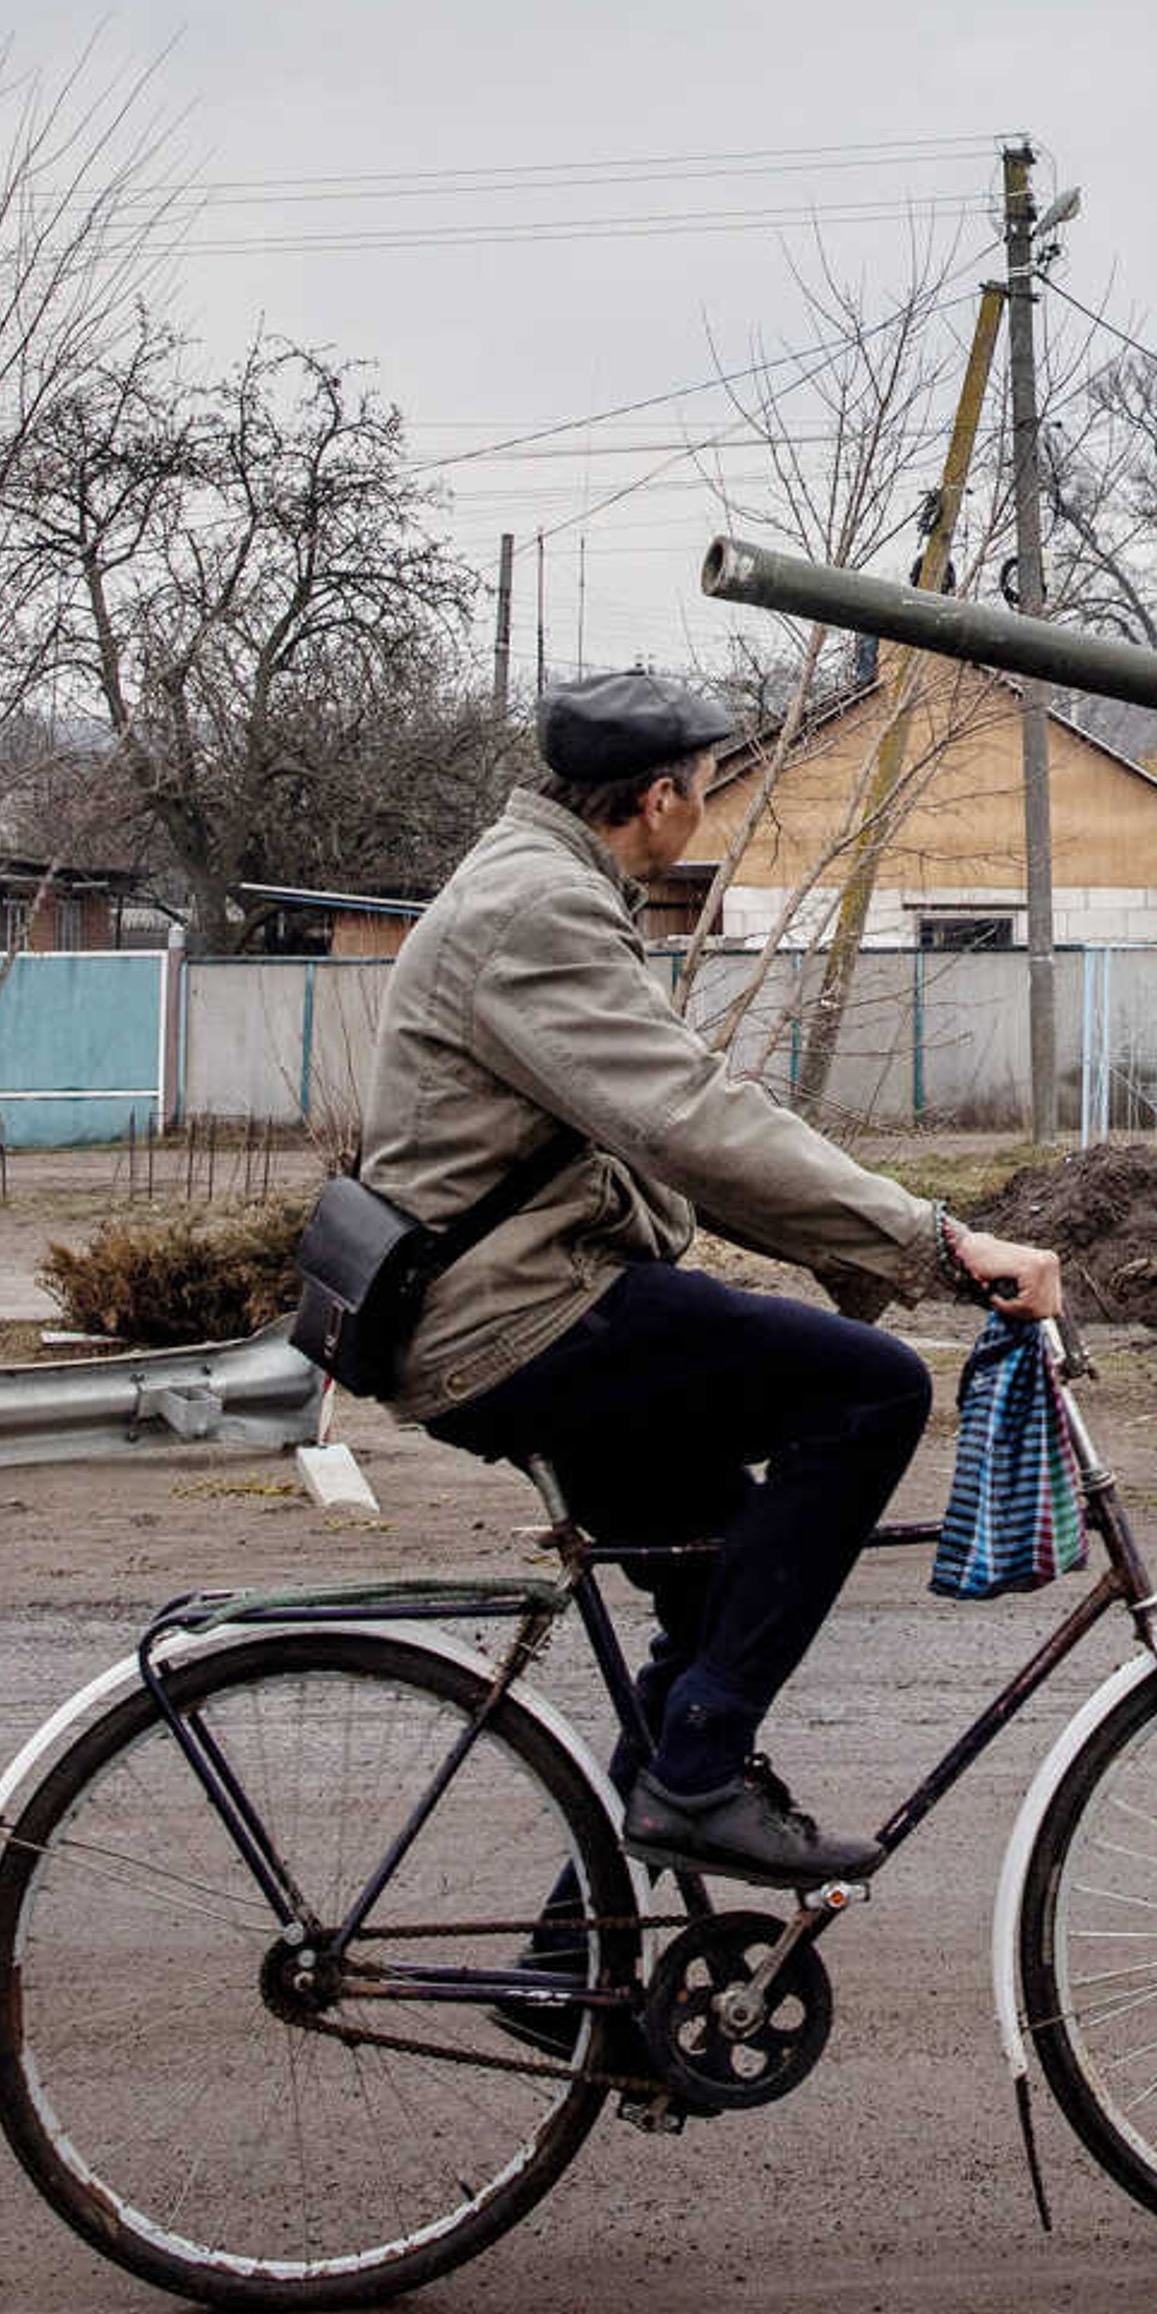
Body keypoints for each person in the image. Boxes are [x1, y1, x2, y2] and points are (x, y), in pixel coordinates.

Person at [358, 668, 1061, 1888]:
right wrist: (936, 1241)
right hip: (517, 1318)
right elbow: (689, 1118)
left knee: (724, 1577)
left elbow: (651, 1134)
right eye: (707, 785)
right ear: (660, 795)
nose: (709, 808)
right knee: (872, 1390)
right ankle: (694, 1780)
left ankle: (584, 1967)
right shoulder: (540, 911)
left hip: (510, 1304)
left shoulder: (540, 886)